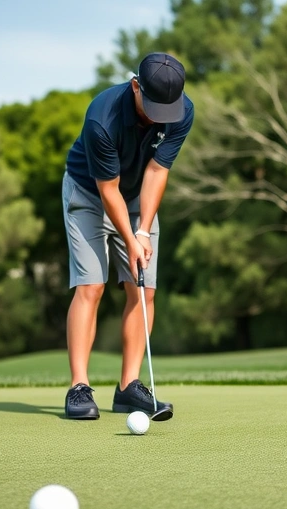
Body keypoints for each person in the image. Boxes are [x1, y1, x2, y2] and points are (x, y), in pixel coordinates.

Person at [60, 52, 194, 420]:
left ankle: (128, 387)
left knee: (144, 287)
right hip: (89, 193)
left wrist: (142, 231)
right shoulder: (102, 117)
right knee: (92, 285)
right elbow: (108, 189)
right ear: (136, 86)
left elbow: (156, 170)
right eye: (152, 107)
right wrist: (130, 236)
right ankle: (79, 388)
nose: (158, 118)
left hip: (137, 197)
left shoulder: (182, 111)